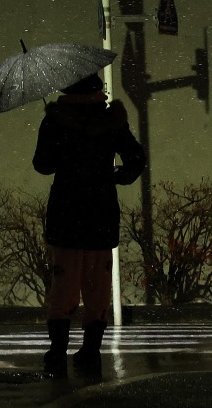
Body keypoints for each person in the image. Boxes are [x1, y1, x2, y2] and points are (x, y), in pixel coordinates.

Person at [32, 74, 145, 374]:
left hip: (67, 215)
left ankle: (57, 353)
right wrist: (116, 174)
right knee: (97, 287)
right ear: (97, 91)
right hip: (100, 214)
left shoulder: (56, 121)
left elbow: (42, 164)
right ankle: (91, 351)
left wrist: (61, 149)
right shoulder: (111, 122)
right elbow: (136, 158)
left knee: (64, 286)